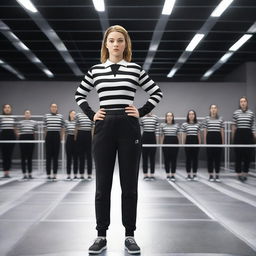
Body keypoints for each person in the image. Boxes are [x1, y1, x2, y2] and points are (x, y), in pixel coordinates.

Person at [75, 25, 163, 255]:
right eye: (112, 40)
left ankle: (130, 235)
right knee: (102, 185)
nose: (116, 44)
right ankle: (101, 234)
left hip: (128, 127)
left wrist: (141, 111)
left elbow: (156, 92)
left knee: (129, 185)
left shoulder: (134, 69)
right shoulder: (96, 70)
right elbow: (79, 94)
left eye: (120, 41)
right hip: (103, 126)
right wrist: (91, 114)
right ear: (106, 44)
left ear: (126, 45)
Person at [232, 97, 256, 182]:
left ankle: (245, 173)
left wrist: (254, 136)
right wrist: (233, 137)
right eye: (241, 101)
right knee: (238, 155)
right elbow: (234, 126)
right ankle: (239, 174)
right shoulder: (236, 113)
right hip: (239, 134)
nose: (243, 103)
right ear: (239, 103)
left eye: (244, 101)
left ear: (247, 103)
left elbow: (253, 126)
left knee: (247, 156)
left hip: (248, 134)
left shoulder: (251, 113)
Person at [203, 105, 224, 182]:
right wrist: (205, 141)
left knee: (217, 158)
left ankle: (217, 175)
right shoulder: (206, 119)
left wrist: (222, 141)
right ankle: (211, 175)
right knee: (210, 158)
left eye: (215, 108)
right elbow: (205, 131)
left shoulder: (221, 119)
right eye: (212, 108)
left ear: (217, 110)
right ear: (210, 110)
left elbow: (222, 131)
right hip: (210, 138)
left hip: (218, 138)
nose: (213, 109)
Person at [44, 103, 64, 181]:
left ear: (57, 108)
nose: (53, 108)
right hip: (49, 136)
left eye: (55, 107)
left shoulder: (60, 116)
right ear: (50, 108)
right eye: (52, 107)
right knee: (48, 156)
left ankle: (54, 174)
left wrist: (61, 137)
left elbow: (62, 128)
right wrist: (46, 137)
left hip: (56, 136)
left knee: (56, 157)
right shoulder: (46, 116)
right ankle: (48, 174)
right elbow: (45, 128)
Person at [182, 110, 201, 181]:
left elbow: (198, 135)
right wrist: (183, 144)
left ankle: (195, 174)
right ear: (188, 116)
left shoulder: (198, 124)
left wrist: (199, 144)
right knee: (188, 159)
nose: (191, 115)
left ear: (195, 115)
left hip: (195, 142)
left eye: (192, 114)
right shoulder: (184, 124)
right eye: (190, 114)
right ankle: (189, 174)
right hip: (188, 142)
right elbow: (184, 135)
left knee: (195, 159)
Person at [160, 112, 180, 182]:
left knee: (174, 159)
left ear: (172, 117)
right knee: (166, 159)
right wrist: (161, 145)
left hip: (175, 142)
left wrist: (179, 144)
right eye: (168, 116)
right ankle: (168, 174)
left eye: (170, 116)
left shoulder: (176, 125)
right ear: (166, 117)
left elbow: (178, 136)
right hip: (166, 142)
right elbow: (162, 136)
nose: (169, 117)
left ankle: (173, 174)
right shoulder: (163, 125)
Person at [18, 110, 37, 179]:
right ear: (24, 115)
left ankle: (30, 173)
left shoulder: (34, 122)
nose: (27, 114)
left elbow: (34, 132)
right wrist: (20, 137)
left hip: (30, 138)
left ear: (30, 115)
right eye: (26, 113)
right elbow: (18, 131)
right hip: (23, 138)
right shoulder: (21, 122)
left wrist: (33, 139)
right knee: (23, 157)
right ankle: (24, 174)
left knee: (30, 157)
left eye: (28, 113)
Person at [140, 112, 160, 180]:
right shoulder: (143, 118)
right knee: (144, 158)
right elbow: (140, 128)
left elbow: (157, 130)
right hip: (145, 137)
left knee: (152, 158)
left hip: (152, 137)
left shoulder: (155, 118)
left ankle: (152, 174)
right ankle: (145, 175)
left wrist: (157, 142)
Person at [0, 104, 18, 178]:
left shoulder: (13, 118)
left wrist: (18, 136)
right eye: (6, 108)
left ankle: (8, 171)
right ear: (3, 109)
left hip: (11, 136)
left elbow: (15, 128)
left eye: (8, 108)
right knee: (4, 155)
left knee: (9, 154)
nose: (7, 109)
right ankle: (5, 172)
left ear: (10, 109)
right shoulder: (1, 118)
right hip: (3, 136)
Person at [75, 112, 93, 180]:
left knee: (89, 156)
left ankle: (89, 174)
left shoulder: (91, 114)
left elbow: (92, 127)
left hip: (88, 134)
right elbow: (76, 127)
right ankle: (81, 174)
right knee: (81, 155)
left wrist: (93, 138)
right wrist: (76, 138)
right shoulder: (78, 115)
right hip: (80, 134)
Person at [65, 110, 78, 180]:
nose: (73, 115)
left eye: (74, 114)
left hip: (75, 140)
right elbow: (65, 132)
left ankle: (75, 174)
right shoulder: (66, 122)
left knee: (75, 158)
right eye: (72, 114)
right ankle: (68, 174)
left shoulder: (77, 123)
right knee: (69, 158)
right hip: (69, 139)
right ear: (69, 115)